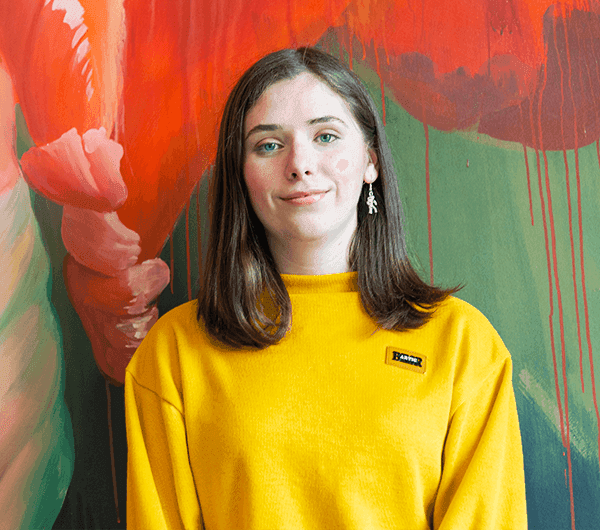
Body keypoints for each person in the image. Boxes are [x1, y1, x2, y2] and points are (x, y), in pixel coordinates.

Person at [125, 47, 527, 529]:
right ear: (241, 174)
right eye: (268, 145)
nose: (300, 164)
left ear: (369, 161)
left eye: (326, 136)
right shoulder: (173, 354)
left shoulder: (463, 346)